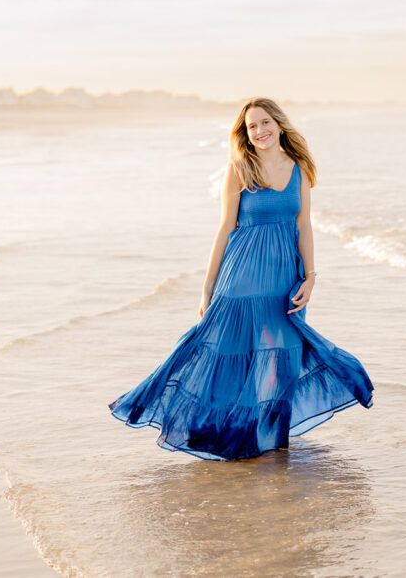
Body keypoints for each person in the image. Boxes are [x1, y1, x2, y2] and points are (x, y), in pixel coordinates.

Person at [108, 97, 374, 460]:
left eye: (265, 122)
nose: (260, 131)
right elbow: (224, 229)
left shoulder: (299, 168)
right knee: (229, 354)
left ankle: (270, 439)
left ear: (279, 124)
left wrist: (311, 277)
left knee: (284, 359)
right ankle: (223, 432)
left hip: (285, 280)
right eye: (252, 126)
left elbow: (304, 225)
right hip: (242, 279)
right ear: (245, 134)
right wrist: (207, 289)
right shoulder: (238, 168)